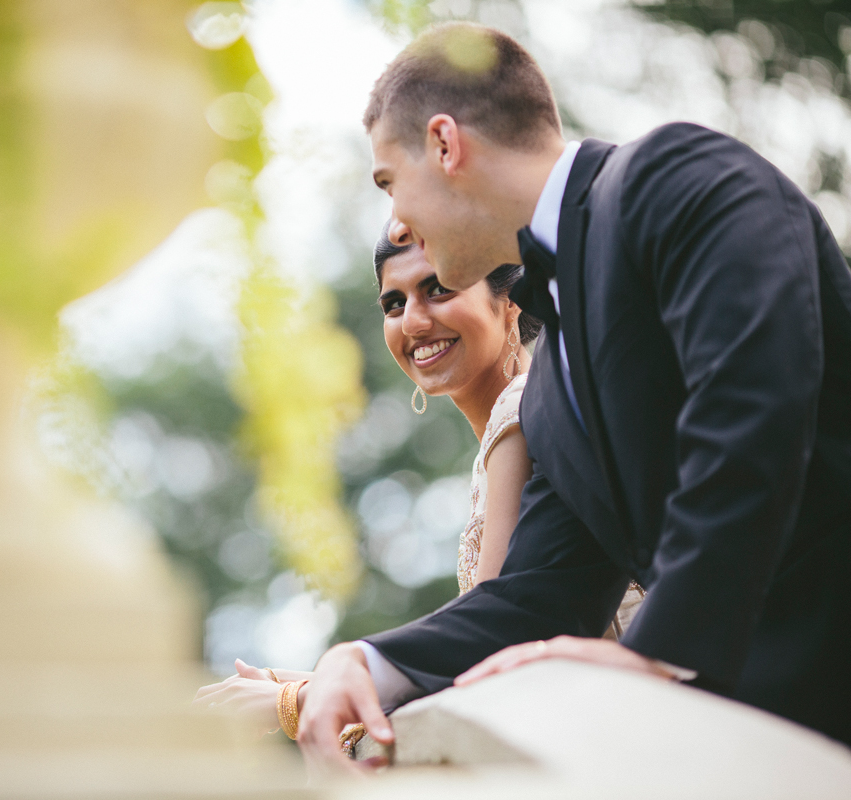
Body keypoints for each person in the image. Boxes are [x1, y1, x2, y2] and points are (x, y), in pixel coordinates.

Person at [296, 21, 851, 774]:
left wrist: (661, 651)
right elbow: (540, 596)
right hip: (766, 752)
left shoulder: (676, 177)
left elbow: (754, 406)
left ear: (445, 145)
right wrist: (364, 660)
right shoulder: (550, 390)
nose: (396, 221)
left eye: (389, 181)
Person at [194, 227, 543, 735]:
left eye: (439, 289)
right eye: (394, 304)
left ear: (508, 301)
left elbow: (485, 639)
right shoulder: (505, 427)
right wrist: (300, 682)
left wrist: (296, 700)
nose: (415, 322)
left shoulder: (520, 410)